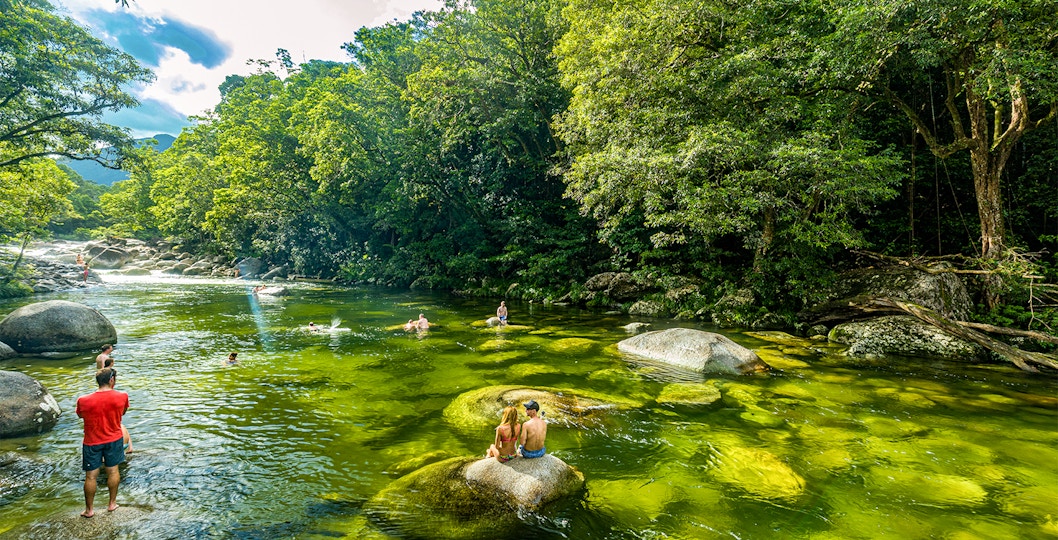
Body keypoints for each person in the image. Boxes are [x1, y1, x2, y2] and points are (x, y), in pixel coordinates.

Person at [75, 367, 130, 517]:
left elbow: (80, 416)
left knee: (91, 476)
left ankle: (89, 510)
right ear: (112, 380)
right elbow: (123, 412)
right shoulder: (122, 396)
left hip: (92, 441)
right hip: (114, 439)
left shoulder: (83, 400)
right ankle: (112, 504)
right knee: (113, 471)